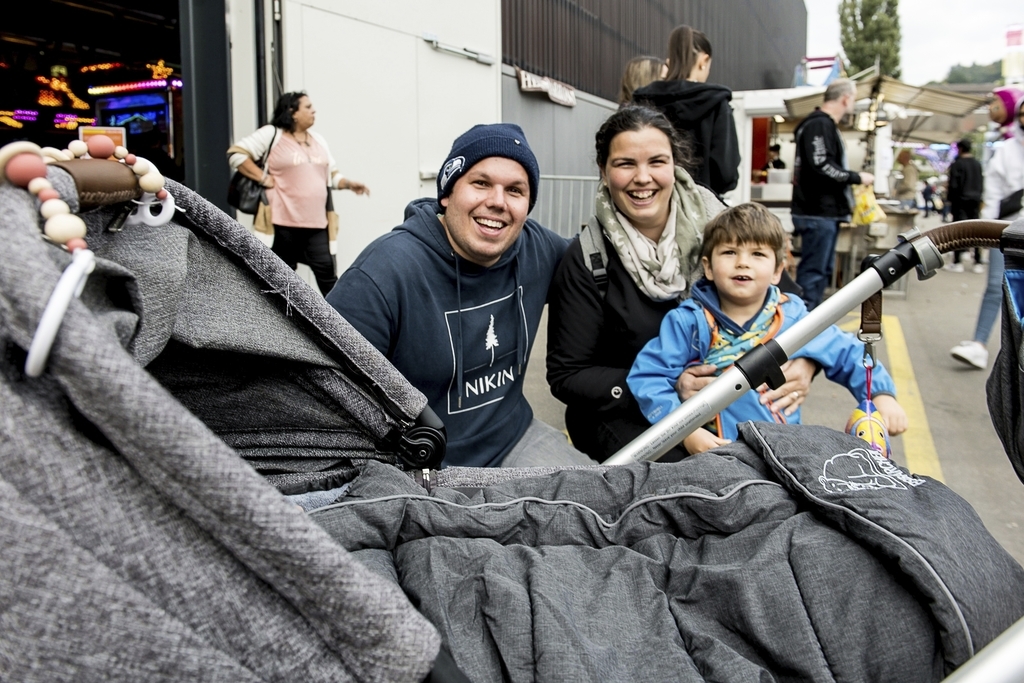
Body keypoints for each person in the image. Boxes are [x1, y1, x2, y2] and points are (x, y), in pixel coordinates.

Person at [546, 105, 817, 462]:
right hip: (622, 414)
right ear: (604, 170)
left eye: (657, 162)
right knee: (695, 487)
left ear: (675, 166)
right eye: (626, 163)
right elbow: (568, 374)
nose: (642, 178)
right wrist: (669, 383)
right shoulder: (587, 258)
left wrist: (806, 365)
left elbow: (798, 310)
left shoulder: (724, 230)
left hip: (727, 406)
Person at [325, 123, 593, 469]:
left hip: (517, 440)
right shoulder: (385, 272)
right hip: (420, 466)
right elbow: (319, 391)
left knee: (605, 502)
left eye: (515, 190)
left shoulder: (538, 248)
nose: (497, 202)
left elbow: (609, 266)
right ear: (448, 193)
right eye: (481, 183)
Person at [628, 203, 908, 454]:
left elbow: (848, 353)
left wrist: (880, 394)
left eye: (757, 253)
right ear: (708, 267)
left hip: (783, 451)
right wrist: (687, 433)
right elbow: (648, 378)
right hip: (713, 453)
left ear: (777, 271)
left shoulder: (793, 318)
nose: (742, 262)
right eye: (729, 252)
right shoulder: (689, 322)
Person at [227, 91, 369, 295]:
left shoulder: (318, 139)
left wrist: (348, 184)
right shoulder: (272, 135)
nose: (314, 111)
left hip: (317, 223)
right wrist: (263, 177)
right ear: (293, 112)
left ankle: (339, 321)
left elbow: (331, 176)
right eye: (308, 107)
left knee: (327, 274)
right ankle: (283, 322)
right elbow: (236, 154)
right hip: (282, 223)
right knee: (283, 277)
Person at [951, 95, 1024, 369]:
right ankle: (979, 343)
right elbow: (992, 191)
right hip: (1007, 228)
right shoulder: (1006, 150)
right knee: (997, 287)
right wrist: (987, 231)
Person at [791, 78, 875, 310]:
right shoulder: (819, 125)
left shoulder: (818, 124)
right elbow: (822, 166)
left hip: (820, 212)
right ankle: (801, 331)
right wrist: (857, 177)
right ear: (845, 98)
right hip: (818, 212)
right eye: (854, 98)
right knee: (814, 274)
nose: (853, 104)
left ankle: (805, 328)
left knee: (819, 271)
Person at [633, 25, 740, 195]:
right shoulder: (716, 103)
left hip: (647, 201)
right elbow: (725, 173)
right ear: (703, 61)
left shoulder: (642, 100)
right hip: (700, 207)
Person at [946, 137, 985, 272]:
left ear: (960, 149)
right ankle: (977, 260)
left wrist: (950, 200)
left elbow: (953, 185)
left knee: (958, 230)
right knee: (977, 231)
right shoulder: (977, 164)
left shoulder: (958, 164)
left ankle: (957, 261)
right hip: (975, 200)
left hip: (960, 201)